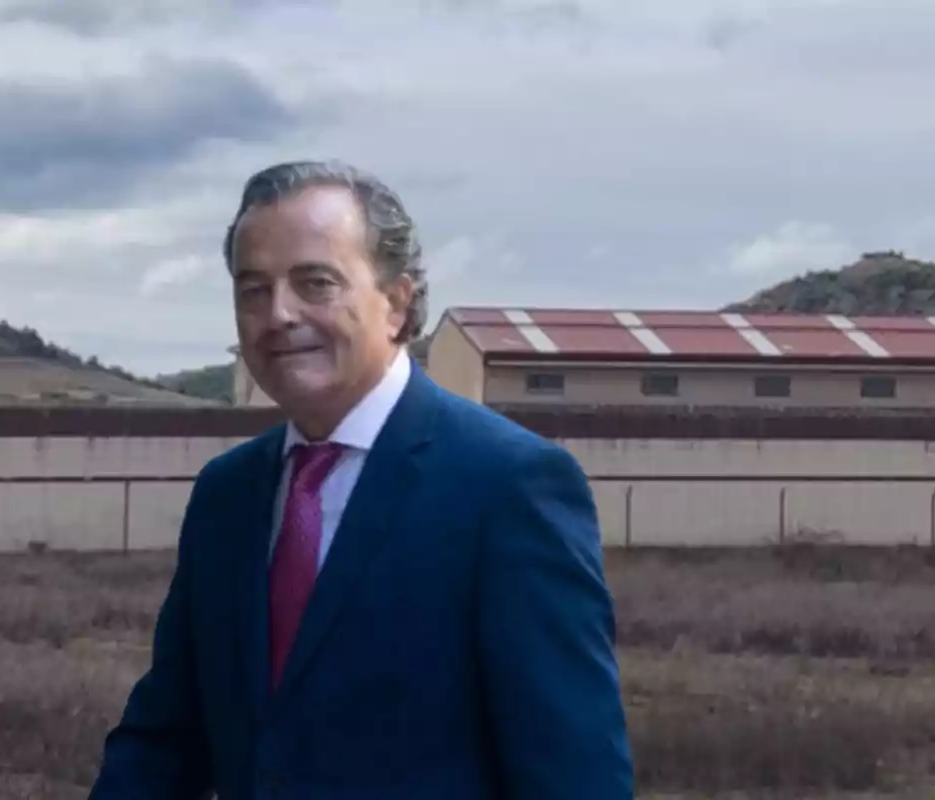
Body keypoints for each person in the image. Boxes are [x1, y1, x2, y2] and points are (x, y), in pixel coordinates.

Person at [88, 160, 633, 799]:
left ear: (398, 304)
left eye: (315, 283)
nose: (279, 314)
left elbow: (574, 779)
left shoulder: (508, 487)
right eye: (253, 289)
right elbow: (167, 738)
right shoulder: (227, 494)